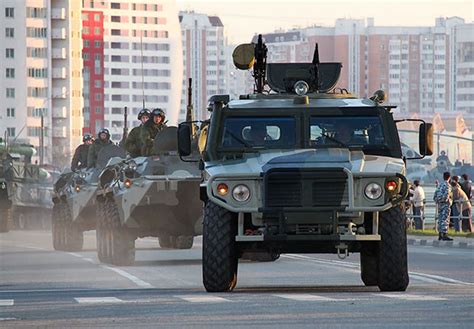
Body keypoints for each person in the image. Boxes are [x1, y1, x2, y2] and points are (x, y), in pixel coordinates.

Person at [433, 171, 453, 241]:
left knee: (440, 218)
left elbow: (435, 193)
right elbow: (447, 194)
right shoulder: (448, 185)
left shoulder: (440, 185)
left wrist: (437, 200)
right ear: (449, 177)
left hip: (439, 204)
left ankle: (440, 234)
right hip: (445, 204)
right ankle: (444, 234)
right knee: (445, 219)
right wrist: (445, 200)